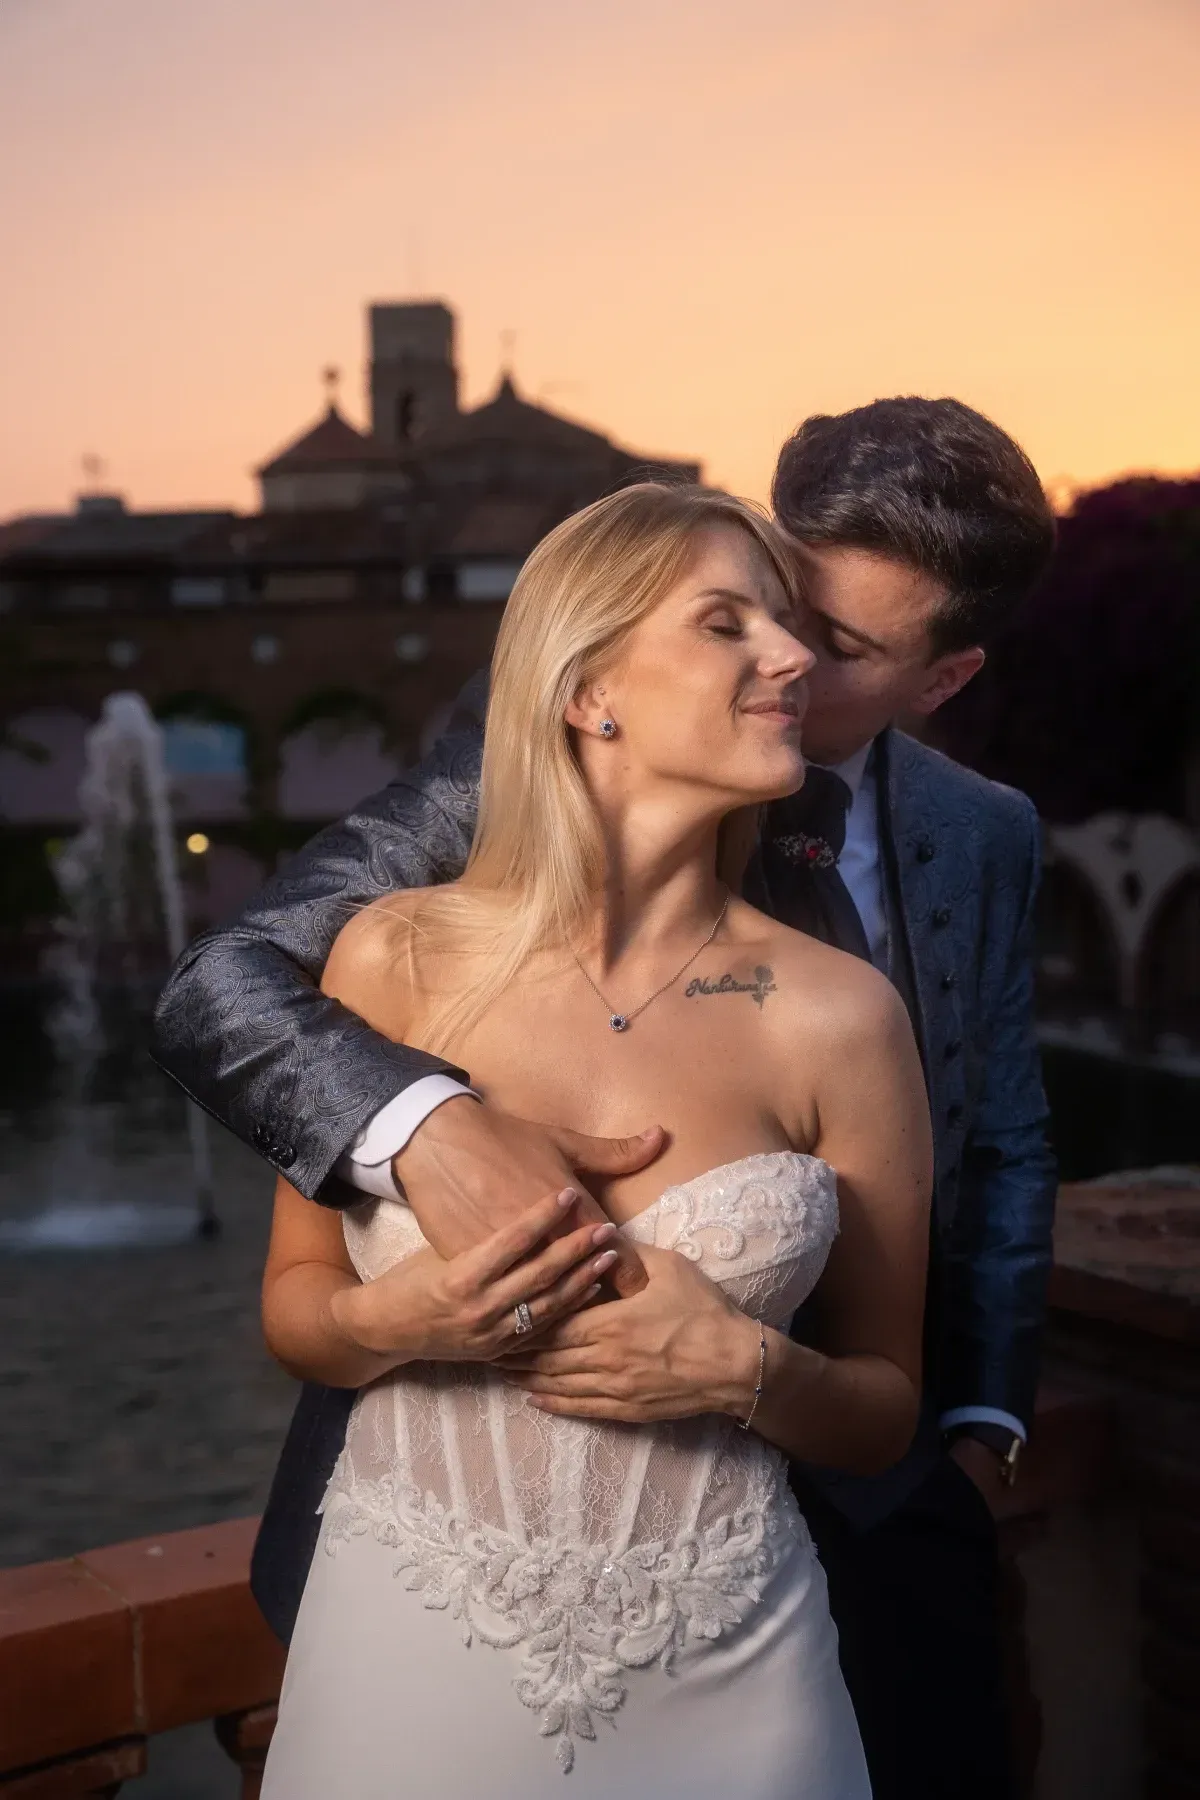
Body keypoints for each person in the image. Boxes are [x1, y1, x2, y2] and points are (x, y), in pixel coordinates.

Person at [154, 396, 1058, 1800]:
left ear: (943, 679)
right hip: (433, 1577)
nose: (789, 663)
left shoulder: (958, 866)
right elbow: (230, 985)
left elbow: (1001, 1141)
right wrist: (428, 1129)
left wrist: (980, 1434)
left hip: (831, 1537)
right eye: (758, 609)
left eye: (838, 645)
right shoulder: (430, 906)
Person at [255, 483, 930, 1796]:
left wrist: (746, 1370)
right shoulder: (390, 959)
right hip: (401, 1655)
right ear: (588, 691)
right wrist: (406, 1325)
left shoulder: (842, 1016)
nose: (794, 658)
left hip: (734, 1681)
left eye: (782, 627)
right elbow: (293, 1304)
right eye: (728, 624)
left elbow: (883, 1408)